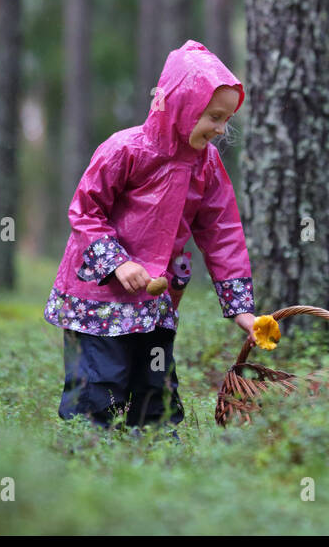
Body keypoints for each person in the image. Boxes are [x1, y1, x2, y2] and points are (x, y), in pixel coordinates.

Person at [45, 40, 258, 430]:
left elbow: (221, 231)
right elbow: (85, 212)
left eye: (227, 119)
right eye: (213, 116)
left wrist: (241, 309)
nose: (221, 128)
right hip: (100, 296)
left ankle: (157, 451)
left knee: (155, 382)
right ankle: (90, 455)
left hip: (157, 298)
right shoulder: (125, 150)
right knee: (99, 382)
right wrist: (117, 262)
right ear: (182, 105)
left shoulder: (207, 164)